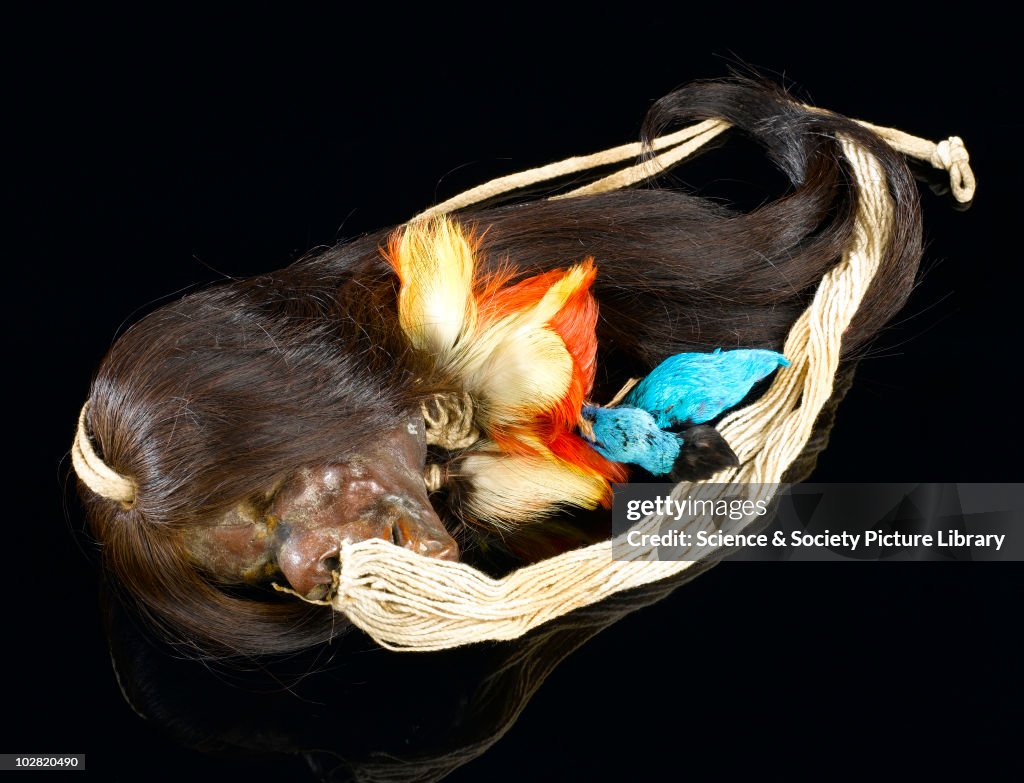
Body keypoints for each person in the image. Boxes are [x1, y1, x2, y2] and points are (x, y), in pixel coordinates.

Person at [71, 78, 923, 657]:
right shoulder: (510, 496)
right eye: (269, 574)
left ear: (306, 382)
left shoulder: (499, 324)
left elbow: (903, 528)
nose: (307, 571)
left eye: (270, 497)